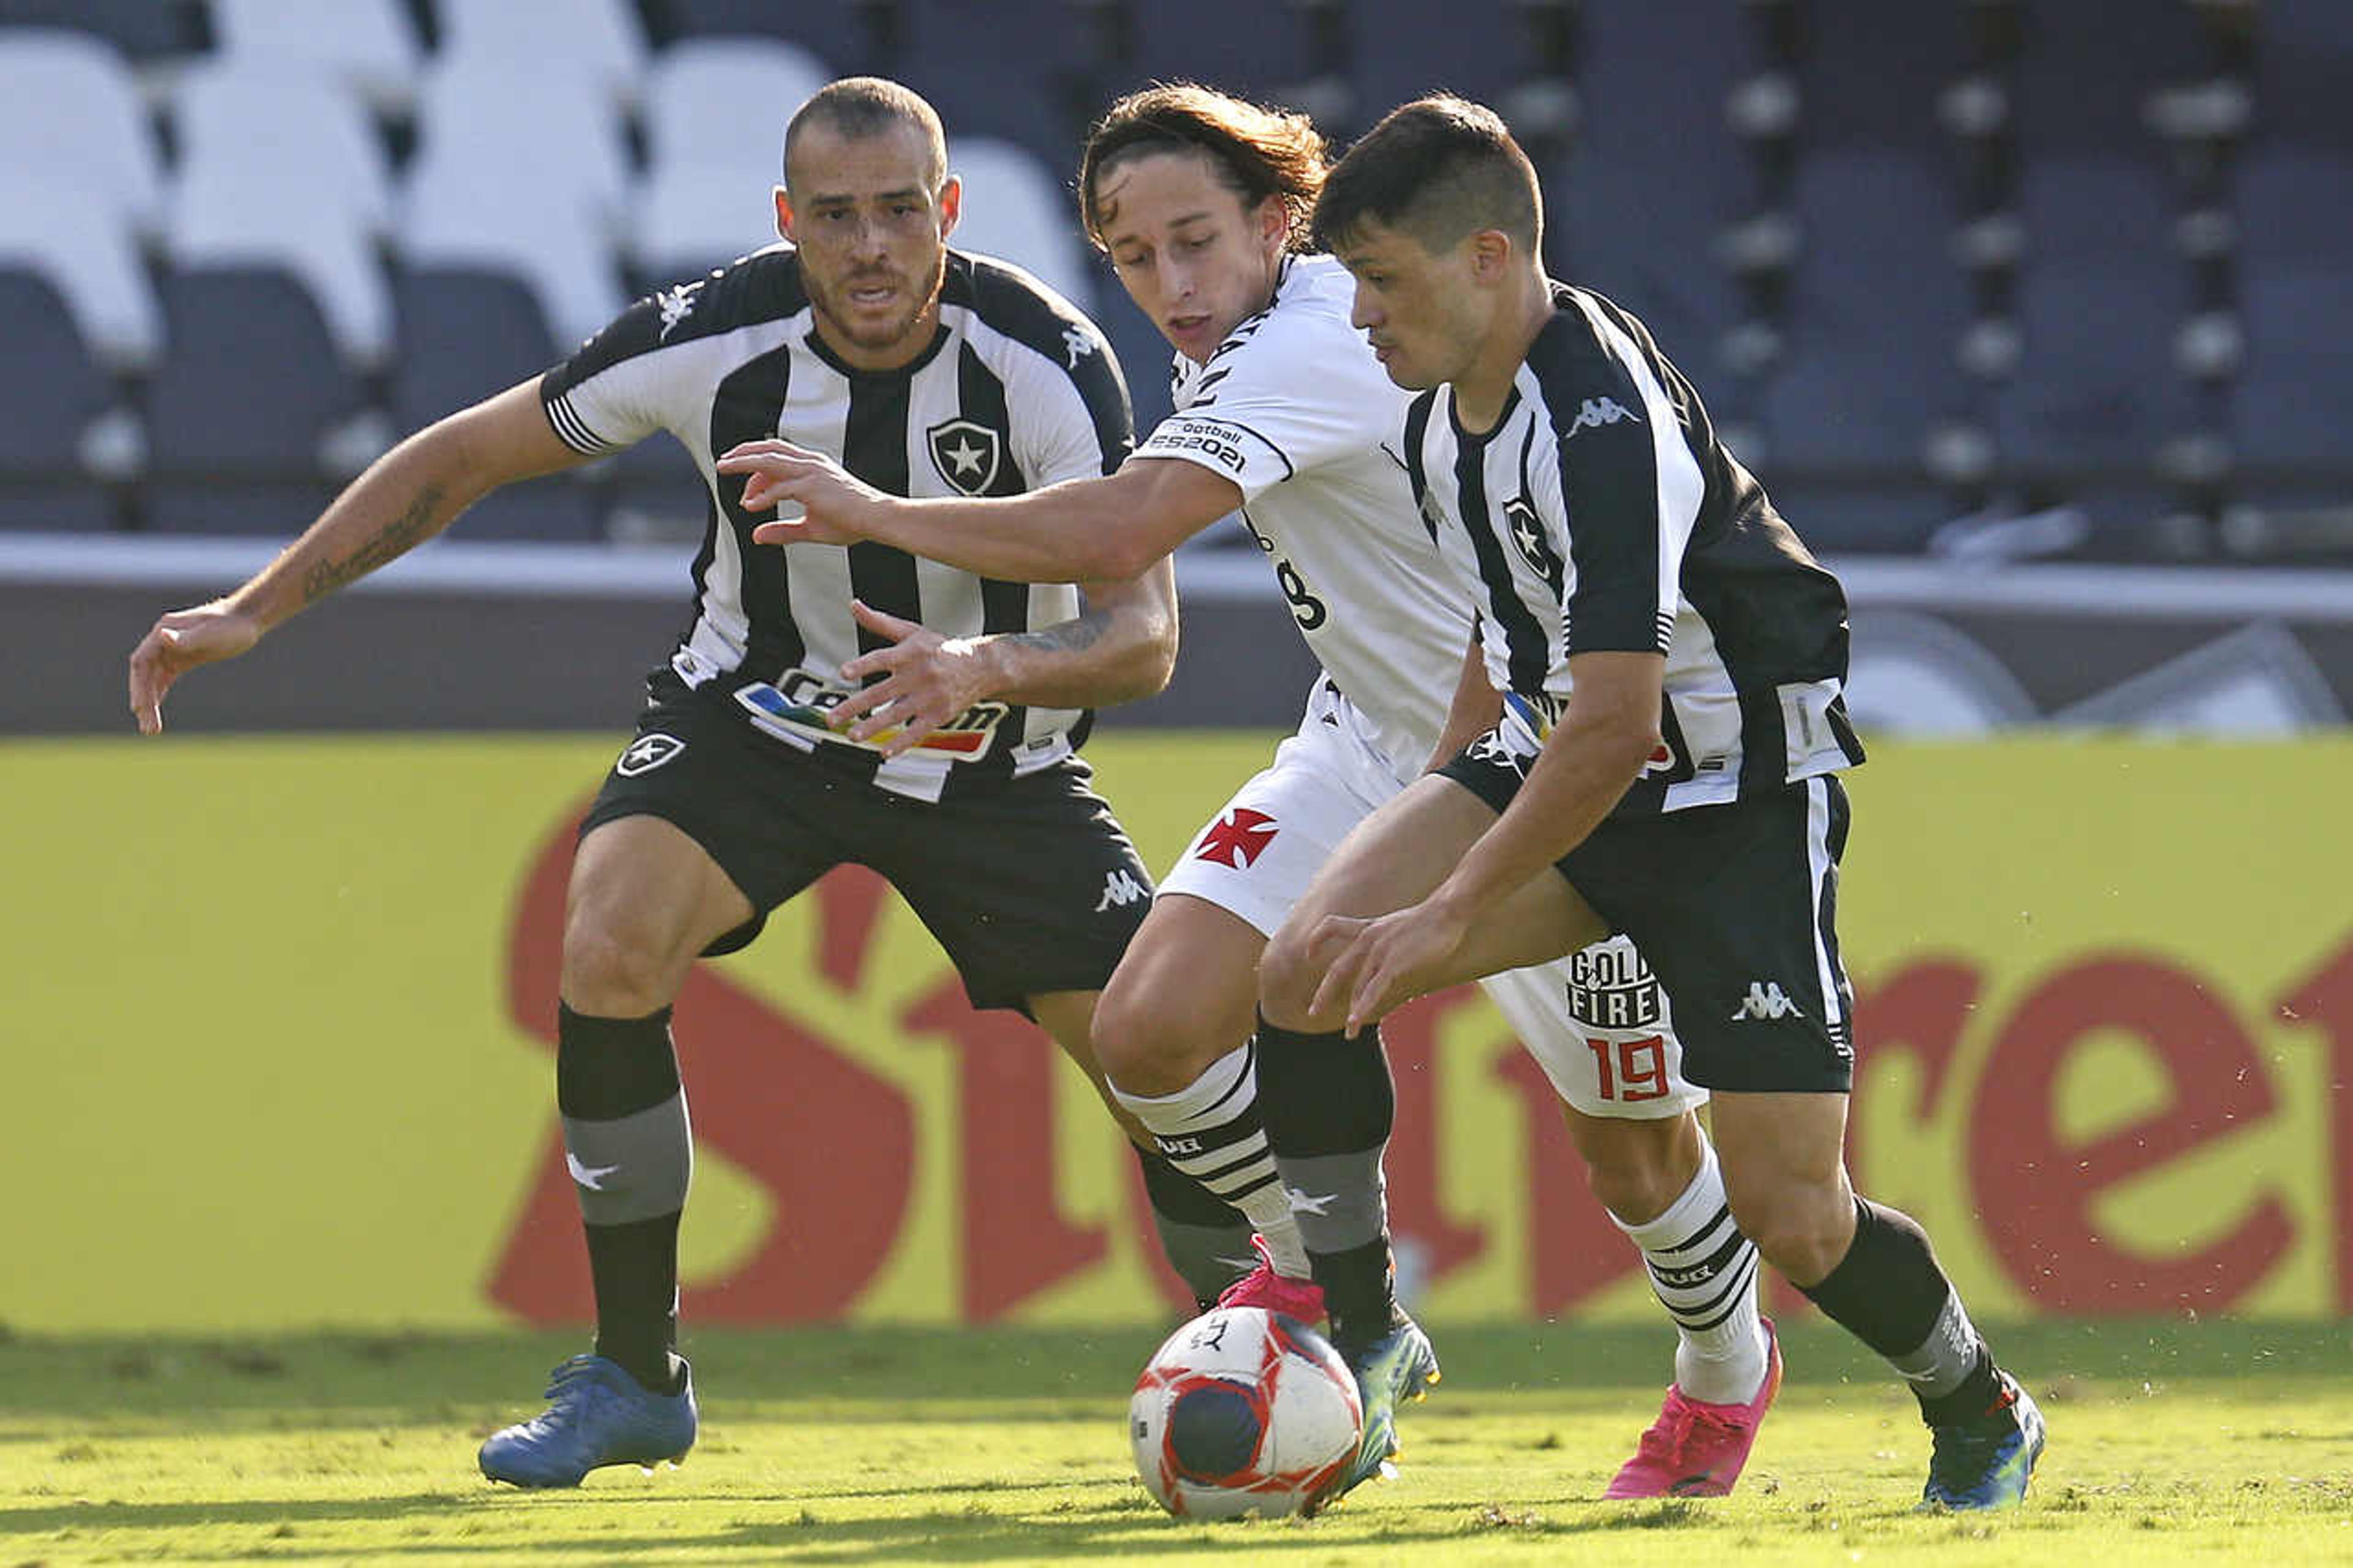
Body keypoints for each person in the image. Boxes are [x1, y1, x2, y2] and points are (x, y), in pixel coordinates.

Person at [124, 77, 1261, 1488]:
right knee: (608, 933)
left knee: (1161, 1057)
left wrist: (983, 668)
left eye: (900, 212)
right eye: (835, 218)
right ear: (788, 222)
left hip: (991, 755)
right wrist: (257, 606)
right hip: (766, 725)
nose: (870, 248)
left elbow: (1144, 635)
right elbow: (469, 450)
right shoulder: (712, 336)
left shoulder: (1044, 357)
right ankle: (634, 1373)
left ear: (947, 212)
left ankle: (1280, 1360)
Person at [715, 83, 1781, 1508]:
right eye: (1136, 255)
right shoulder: (1249, 345)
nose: (1171, 285)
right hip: (1363, 742)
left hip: (1532, 761)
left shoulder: (1328, 333)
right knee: (1150, 1025)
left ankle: (1724, 1371)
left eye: (1197, 241)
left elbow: (1122, 525)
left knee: (1635, 1150)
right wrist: (982, 654)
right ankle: (1342, 1293)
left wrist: (872, 507)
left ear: (1281, 223)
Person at [1271, 94, 2045, 1510]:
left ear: (1488, 257)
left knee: (1793, 1214)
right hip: (1576, 753)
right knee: (1309, 962)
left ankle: (1977, 1400)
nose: (1362, 315)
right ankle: (1368, 1338)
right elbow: (1508, 641)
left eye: (1381, 280)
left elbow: (1622, 721)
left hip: (1735, 796)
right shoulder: (1444, 408)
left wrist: (1450, 904)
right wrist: (1440, 797)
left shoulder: (1597, 423)